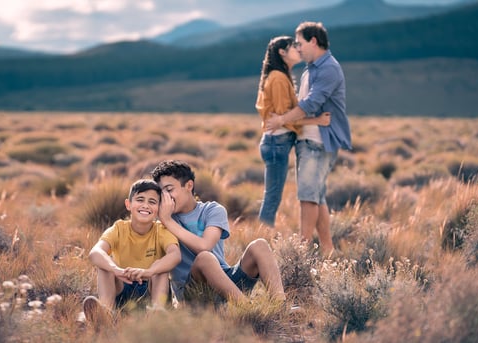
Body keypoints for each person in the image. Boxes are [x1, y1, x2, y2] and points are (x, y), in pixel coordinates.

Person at [265, 22, 352, 257]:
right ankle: (328, 251)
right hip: (308, 140)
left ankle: (301, 253)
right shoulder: (311, 68)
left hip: (318, 142)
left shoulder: (329, 69)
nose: (298, 49)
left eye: (300, 43)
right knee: (316, 195)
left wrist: (282, 119)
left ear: (314, 41)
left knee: (307, 196)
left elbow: (311, 103)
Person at [150, 160, 287, 306]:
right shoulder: (163, 220)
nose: (165, 198)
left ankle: (281, 305)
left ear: (189, 186)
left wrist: (168, 221)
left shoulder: (212, 210)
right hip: (193, 292)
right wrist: (165, 219)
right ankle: (246, 307)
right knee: (204, 259)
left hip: (225, 281)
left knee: (259, 245)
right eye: (161, 193)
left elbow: (205, 245)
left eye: (169, 190)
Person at [256, 35, 331, 228]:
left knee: (272, 196)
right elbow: (285, 116)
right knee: (272, 197)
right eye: (293, 46)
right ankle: (259, 241)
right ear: (282, 52)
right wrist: (317, 120)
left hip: (277, 143)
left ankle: (260, 239)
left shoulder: (281, 76)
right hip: (276, 143)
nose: (298, 49)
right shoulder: (279, 78)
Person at [83, 179, 181, 325]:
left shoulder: (162, 230)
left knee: (160, 267)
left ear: (158, 209)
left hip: (151, 288)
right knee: (106, 264)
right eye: (140, 199)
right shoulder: (118, 228)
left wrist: (149, 271)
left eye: (152, 202)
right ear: (128, 205)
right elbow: (95, 252)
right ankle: (106, 313)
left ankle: (156, 313)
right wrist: (116, 270)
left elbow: (175, 255)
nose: (145, 205)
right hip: (123, 286)